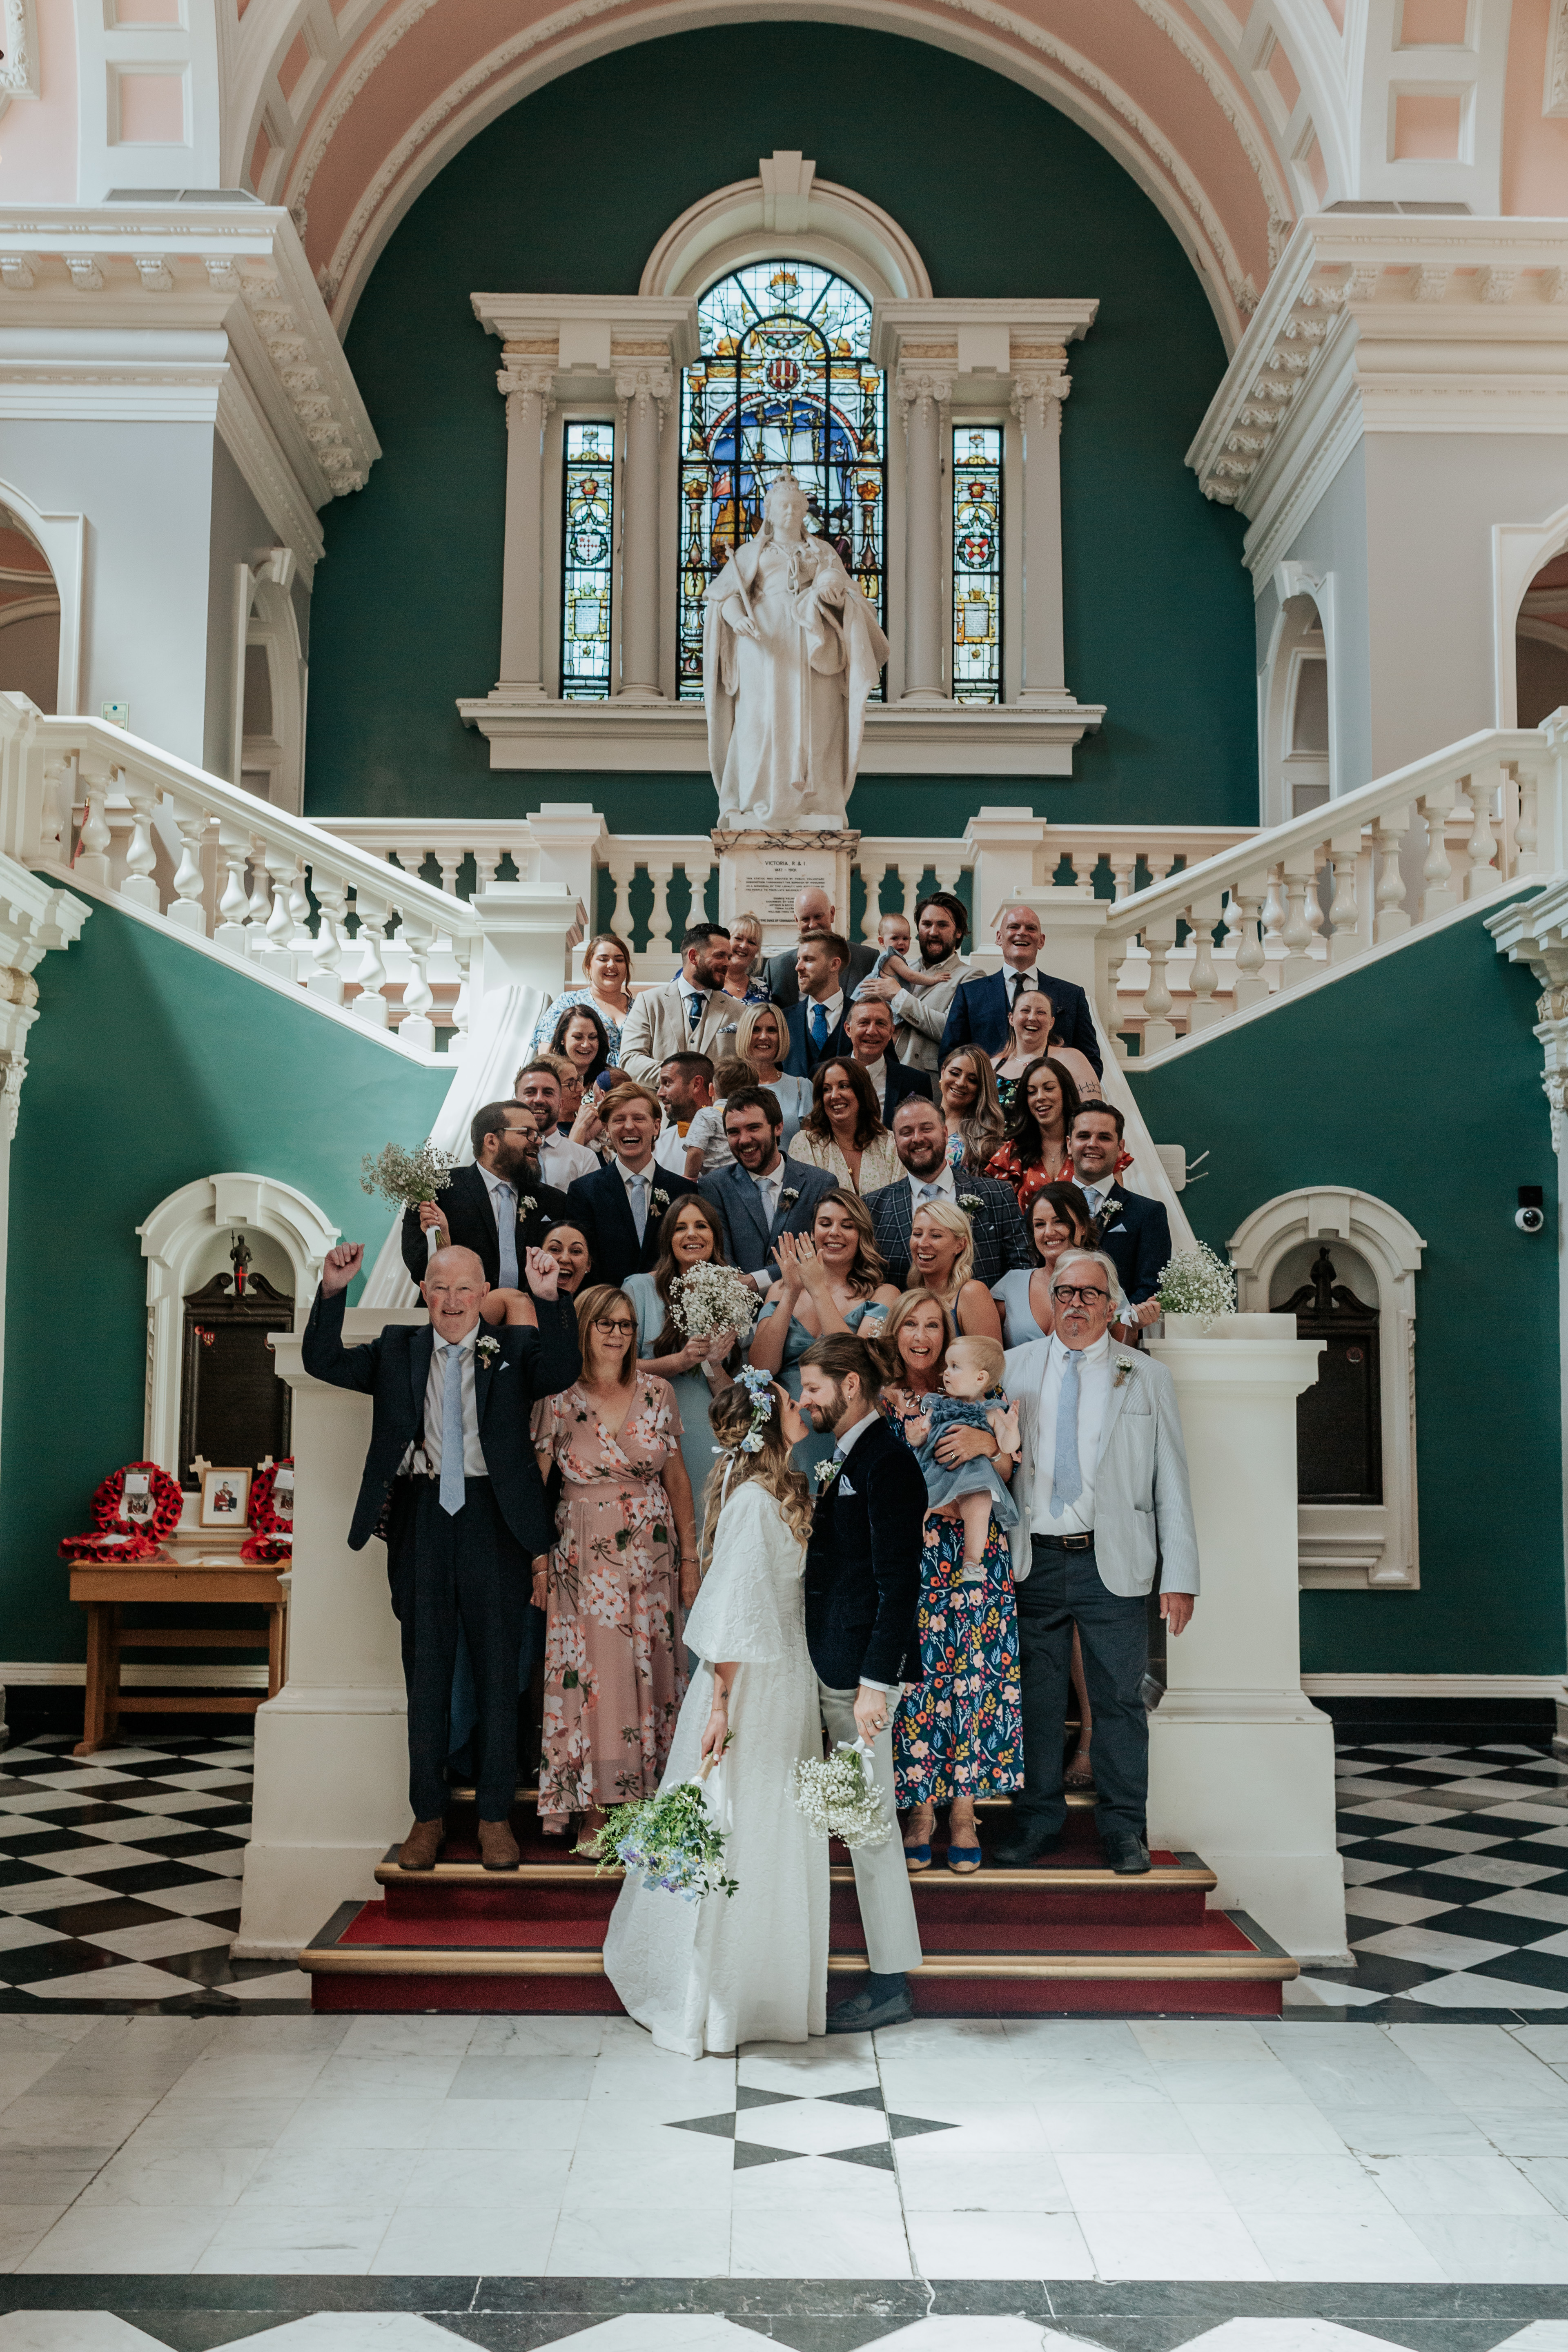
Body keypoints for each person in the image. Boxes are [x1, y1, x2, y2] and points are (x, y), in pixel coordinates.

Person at [302, 1238, 579, 1872]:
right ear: (424, 1293)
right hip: (422, 1520)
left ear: (483, 1296)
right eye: (439, 1287)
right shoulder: (398, 1348)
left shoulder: (511, 1349)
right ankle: (425, 1819)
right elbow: (322, 1360)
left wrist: (548, 1299)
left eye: (464, 1289)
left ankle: (492, 1819)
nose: (451, 1301)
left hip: (495, 1522)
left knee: (496, 1676)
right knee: (426, 1676)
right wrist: (333, 1290)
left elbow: (562, 1370)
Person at [602, 1374, 827, 2056]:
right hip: (752, 1686)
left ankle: (761, 1989)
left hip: (785, 1679)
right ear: (768, 1425)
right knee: (741, 1822)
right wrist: (722, 1704)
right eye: (791, 1401)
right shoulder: (758, 1504)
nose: (803, 1407)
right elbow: (732, 1609)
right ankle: (717, 1996)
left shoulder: (775, 1494)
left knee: (769, 1829)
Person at [994, 1249, 1199, 1875]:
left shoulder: (1145, 1376)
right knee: (1036, 1698)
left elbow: (1173, 1483)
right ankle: (1037, 1821)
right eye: (1064, 1293)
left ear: (1112, 1306)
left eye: (1088, 1294)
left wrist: (1181, 1576)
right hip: (1034, 1559)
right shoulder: (1014, 1368)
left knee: (1117, 1700)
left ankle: (1122, 1829)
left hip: (1112, 1561)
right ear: (1050, 1303)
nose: (1075, 1305)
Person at [531, 1282, 698, 1839]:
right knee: (594, 1677)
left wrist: (692, 1559)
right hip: (582, 1551)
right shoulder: (555, 1396)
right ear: (583, 1328)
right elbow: (534, 1488)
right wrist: (535, 1565)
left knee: (650, 1670)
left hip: (652, 1553)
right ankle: (595, 1805)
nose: (619, 1334)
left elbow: (677, 1480)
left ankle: (646, 1803)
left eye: (627, 1325)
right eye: (607, 1324)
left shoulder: (658, 1393)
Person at [797, 1332, 927, 2031]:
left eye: (813, 1387)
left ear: (850, 1386)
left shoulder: (889, 1463)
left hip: (862, 1681)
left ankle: (890, 1983)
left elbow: (898, 1583)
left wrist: (878, 1681)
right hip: (835, 1668)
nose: (804, 1399)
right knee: (851, 1823)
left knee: (871, 1830)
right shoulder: (846, 1455)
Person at [879, 1291, 1022, 1875]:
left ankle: (965, 1811)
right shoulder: (888, 1403)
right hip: (915, 1549)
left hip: (974, 1553)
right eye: (910, 1324)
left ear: (949, 1337)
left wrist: (990, 1444)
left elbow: (1009, 1468)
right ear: (897, 1334)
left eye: (933, 1325)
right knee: (917, 1676)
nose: (921, 1335)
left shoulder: (985, 1399)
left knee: (974, 1675)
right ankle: (920, 1812)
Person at [705, 471, 888, 833]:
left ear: (804, 511)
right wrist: (738, 617)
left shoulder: (822, 552)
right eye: (782, 506)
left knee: (817, 721)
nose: (789, 512)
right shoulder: (749, 552)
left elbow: (847, 594)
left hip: (812, 642)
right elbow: (722, 597)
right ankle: (758, 798)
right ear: (770, 513)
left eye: (795, 506)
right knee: (761, 720)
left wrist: (834, 599)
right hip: (763, 644)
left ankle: (815, 802)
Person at [749, 1191, 900, 1472]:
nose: (835, 1232)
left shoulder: (883, 1294)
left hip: (847, 1429)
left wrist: (818, 1288)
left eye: (848, 1225)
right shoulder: (782, 1289)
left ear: (862, 1234)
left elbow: (860, 1365)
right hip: (787, 1432)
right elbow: (761, 1368)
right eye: (825, 1223)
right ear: (813, 1230)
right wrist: (792, 1291)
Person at [624, 1195, 739, 1526]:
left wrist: (715, 1364)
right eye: (681, 1228)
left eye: (701, 1226)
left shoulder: (730, 1295)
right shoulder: (640, 1288)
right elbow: (614, 1369)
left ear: (715, 1235)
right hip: (652, 1429)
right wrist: (678, 1361)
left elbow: (733, 1396)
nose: (692, 1235)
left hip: (708, 1432)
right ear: (668, 1240)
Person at [399, 1100, 569, 1291]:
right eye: (527, 1133)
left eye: (538, 1135)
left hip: (530, 1315)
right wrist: (441, 1244)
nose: (538, 1141)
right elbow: (420, 1267)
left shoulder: (554, 1201)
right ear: (491, 1141)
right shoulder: (436, 1190)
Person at [866, 1096, 1029, 1289]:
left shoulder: (996, 1195)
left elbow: (1022, 1269)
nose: (917, 1138)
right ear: (896, 1141)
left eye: (927, 1129)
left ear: (945, 1133)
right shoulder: (873, 1206)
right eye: (906, 1132)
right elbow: (869, 1279)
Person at [899, 1332, 1020, 1584]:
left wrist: (1010, 1428)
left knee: (980, 1503)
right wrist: (915, 1436)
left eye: (955, 1367)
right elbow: (923, 1436)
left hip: (974, 1476)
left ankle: (972, 1560)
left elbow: (1008, 1448)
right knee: (917, 1498)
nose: (946, 1373)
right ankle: (910, 1540)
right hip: (937, 1468)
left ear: (980, 1378)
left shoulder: (993, 1411)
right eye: (947, 1366)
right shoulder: (939, 1404)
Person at [698, 1084, 838, 1287]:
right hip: (740, 1306)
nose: (744, 1140)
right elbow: (719, 1254)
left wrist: (758, 1280)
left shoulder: (820, 1183)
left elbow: (823, 1250)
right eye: (734, 1132)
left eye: (754, 1128)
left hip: (805, 1304)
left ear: (778, 1127)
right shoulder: (715, 1187)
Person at [940, 902, 1102, 1076]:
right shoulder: (970, 994)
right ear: (999, 938)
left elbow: (1090, 1062)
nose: (1022, 933)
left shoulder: (1072, 996)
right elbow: (950, 1058)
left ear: (1041, 941)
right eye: (1014, 927)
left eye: (1031, 928)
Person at [566, 1083, 699, 1287]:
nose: (629, 1127)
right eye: (619, 1120)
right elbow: (582, 1259)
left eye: (639, 1119)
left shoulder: (683, 1191)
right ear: (607, 1129)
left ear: (656, 1127)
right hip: (606, 1306)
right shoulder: (584, 1192)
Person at [1067, 1102, 1169, 1332]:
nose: (1092, 1144)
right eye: (1084, 1136)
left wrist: (1112, 1322)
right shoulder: (1047, 1208)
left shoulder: (1149, 1213)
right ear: (1069, 1144)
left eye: (1104, 1137)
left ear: (1120, 1147)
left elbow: (1151, 1285)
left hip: (1118, 1336)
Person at [858, 890, 971, 1072]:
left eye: (942, 925)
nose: (933, 932)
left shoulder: (970, 976)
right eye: (926, 924)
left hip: (927, 1082)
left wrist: (899, 996)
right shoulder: (900, 967)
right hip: (881, 1076)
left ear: (958, 932)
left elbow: (954, 1031)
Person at [619, 922, 734, 1087]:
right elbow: (630, 1060)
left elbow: (742, 1068)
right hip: (660, 1110)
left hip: (716, 1110)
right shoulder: (649, 1002)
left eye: (729, 957)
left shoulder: (739, 1011)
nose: (727, 963)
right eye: (720, 956)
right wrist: (677, 1077)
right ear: (693, 957)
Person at [991, 1182, 1095, 1348]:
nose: (1048, 1232)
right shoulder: (1011, 1285)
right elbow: (987, 1354)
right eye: (1040, 1224)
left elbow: (1120, 1356)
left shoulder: (1104, 1285)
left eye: (1059, 1221)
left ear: (1083, 1227)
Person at [788, 1056, 900, 1195]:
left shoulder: (890, 1143)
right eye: (826, 1089)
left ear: (862, 1092)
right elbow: (804, 1204)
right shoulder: (806, 1144)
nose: (834, 1096)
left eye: (844, 1086)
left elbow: (900, 1203)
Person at [984, 1056, 1083, 1212]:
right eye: (1031, 1092)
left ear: (1066, 1092)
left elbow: (1114, 1208)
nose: (1040, 1097)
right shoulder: (1011, 1153)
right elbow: (999, 1216)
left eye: (1049, 1088)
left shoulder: (1089, 1144)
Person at [906, 1198, 1005, 1343]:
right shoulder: (910, 1296)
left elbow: (990, 1362)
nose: (922, 1243)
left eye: (936, 1236)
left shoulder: (972, 1293)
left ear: (960, 1245)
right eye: (917, 1234)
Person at [527, 931, 634, 1064]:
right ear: (588, 967)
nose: (612, 965)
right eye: (603, 959)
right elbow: (546, 1051)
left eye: (619, 960)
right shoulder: (569, 1002)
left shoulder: (639, 1008)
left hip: (633, 1083)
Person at [991, 988, 1100, 1114]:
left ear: (1051, 1023)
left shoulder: (1072, 1059)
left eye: (1041, 1012)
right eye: (1025, 1011)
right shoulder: (992, 1066)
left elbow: (1094, 1114)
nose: (1032, 1018)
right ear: (1011, 1018)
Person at [764, 885, 876, 1008]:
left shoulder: (867, 959)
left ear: (832, 914)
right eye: (805, 919)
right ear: (797, 921)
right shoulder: (776, 969)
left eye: (818, 917)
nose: (812, 925)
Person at [844, 996, 932, 1126]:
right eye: (864, 1022)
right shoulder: (824, 1075)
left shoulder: (916, 1082)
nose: (872, 1031)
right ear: (849, 1030)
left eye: (881, 1023)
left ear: (891, 1031)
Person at [731, 1001, 811, 1142]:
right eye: (756, 1030)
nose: (763, 1037)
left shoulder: (802, 1087)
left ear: (782, 1037)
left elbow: (813, 1147)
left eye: (772, 1030)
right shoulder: (729, 1086)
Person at [514, 1060, 599, 1188]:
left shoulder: (585, 1158)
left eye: (548, 1093)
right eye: (530, 1092)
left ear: (561, 1105)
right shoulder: (501, 1154)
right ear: (515, 1104)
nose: (539, 1099)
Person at [782, 931, 853, 1077]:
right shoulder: (783, 1020)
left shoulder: (864, 1017)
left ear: (834, 964)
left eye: (808, 960)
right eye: (798, 959)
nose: (798, 967)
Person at [682, 1056, 754, 1179]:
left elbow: (696, 1150)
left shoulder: (706, 1114)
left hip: (715, 1181)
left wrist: (689, 1178)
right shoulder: (752, 1117)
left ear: (711, 1090)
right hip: (747, 1178)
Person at [938, 1045, 1008, 1174]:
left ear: (982, 1088)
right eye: (955, 1073)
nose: (961, 1083)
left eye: (972, 1080)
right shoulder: (919, 1119)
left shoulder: (986, 1138)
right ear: (943, 1072)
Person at [653, 1051, 716, 1177]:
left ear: (696, 1084)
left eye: (667, 1083)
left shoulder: (734, 1137)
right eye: (659, 1086)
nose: (660, 1094)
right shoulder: (657, 1145)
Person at [550, 1002, 615, 1097]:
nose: (586, 1045)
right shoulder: (548, 1077)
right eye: (578, 1037)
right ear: (562, 1039)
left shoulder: (610, 1080)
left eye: (593, 1037)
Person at [721, 912, 771, 1006]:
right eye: (738, 938)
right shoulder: (710, 983)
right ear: (726, 941)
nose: (744, 946)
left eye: (752, 942)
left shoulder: (763, 990)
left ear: (757, 951)